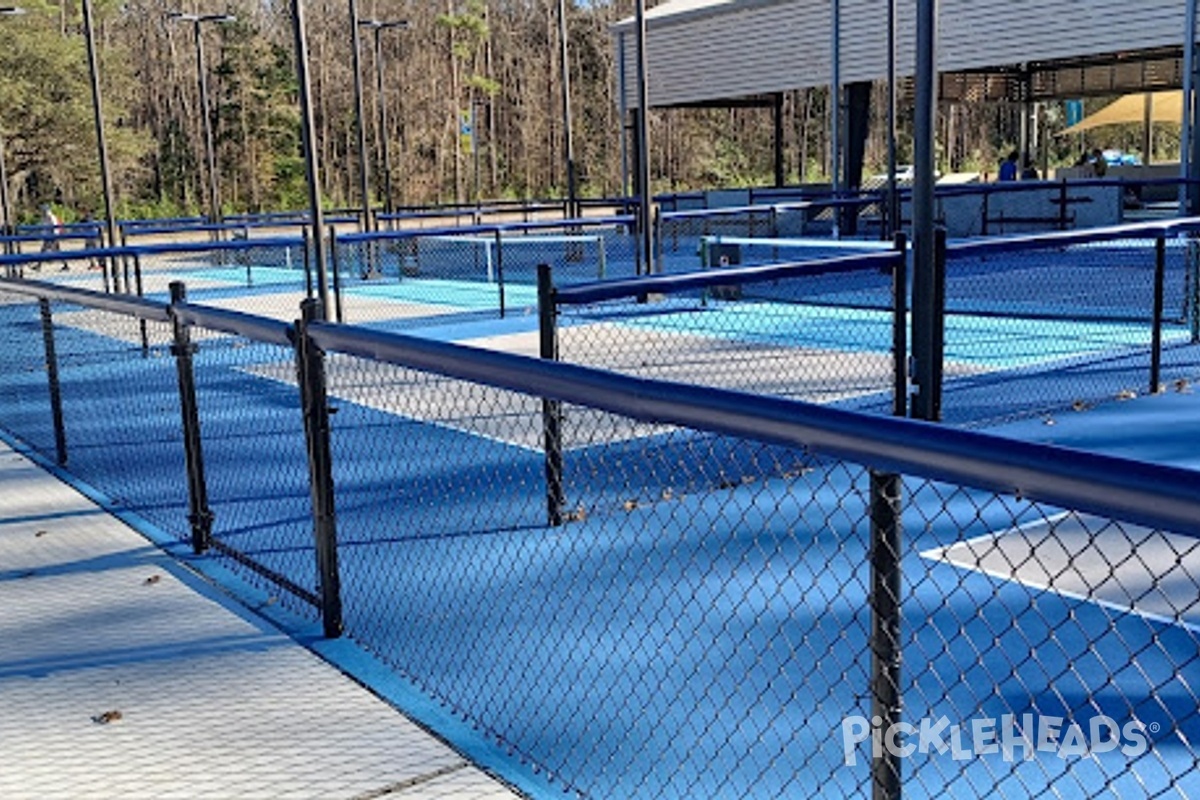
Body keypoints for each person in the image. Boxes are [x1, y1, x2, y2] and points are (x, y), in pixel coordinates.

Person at [35, 203, 67, 271]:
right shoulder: (44, 217)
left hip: (53, 237)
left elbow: (56, 227)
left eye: (43, 210)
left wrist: (54, 237)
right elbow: (43, 227)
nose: (41, 211)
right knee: (56, 251)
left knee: (46, 251)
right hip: (48, 236)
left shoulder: (51, 217)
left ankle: (39, 265)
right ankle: (65, 265)